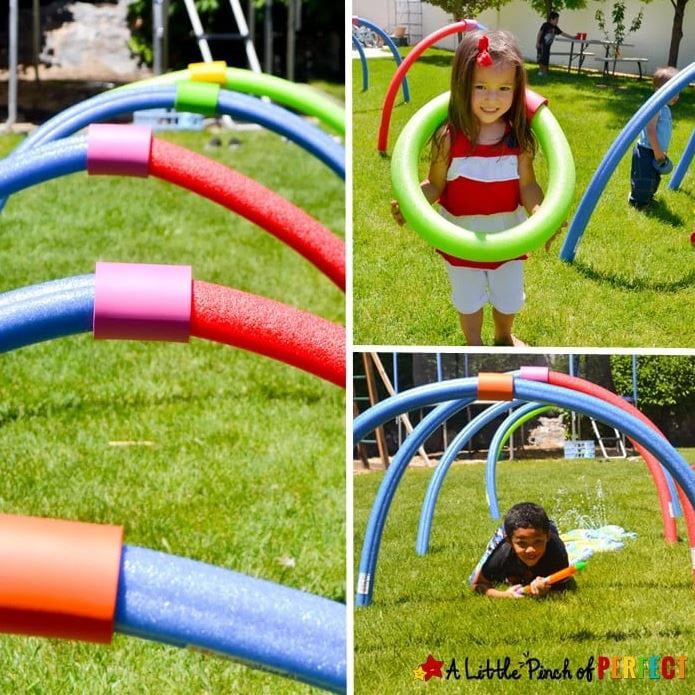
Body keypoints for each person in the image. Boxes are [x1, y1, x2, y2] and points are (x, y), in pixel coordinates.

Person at [391, 30, 557, 346]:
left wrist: (542, 214)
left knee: (509, 299)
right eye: (480, 87)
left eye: (503, 88)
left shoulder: (518, 139)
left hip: (507, 235)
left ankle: (504, 335)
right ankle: (473, 343)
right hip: (460, 237)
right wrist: (414, 204)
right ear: (462, 85)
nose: (491, 98)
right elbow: (435, 184)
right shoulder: (449, 138)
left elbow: (528, 185)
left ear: (517, 90)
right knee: (467, 300)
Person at [468, 502, 573, 599]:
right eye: (522, 543)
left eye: (538, 541)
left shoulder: (556, 551)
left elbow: (563, 590)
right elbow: (476, 584)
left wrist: (544, 592)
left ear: (547, 537)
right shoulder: (502, 552)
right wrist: (505, 595)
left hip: (547, 529)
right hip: (508, 534)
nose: (531, 550)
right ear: (509, 541)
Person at [629, 66, 680, 210]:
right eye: (674, 92)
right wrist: (658, 152)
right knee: (644, 179)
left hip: (656, 150)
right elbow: (650, 130)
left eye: (678, 92)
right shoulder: (656, 106)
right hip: (646, 150)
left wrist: (661, 151)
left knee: (654, 178)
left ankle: (648, 198)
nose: (677, 96)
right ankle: (638, 202)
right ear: (659, 90)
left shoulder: (664, 107)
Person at [536, 11, 575, 77]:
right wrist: (537, 42)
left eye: (558, 20)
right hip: (541, 45)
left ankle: (545, 72)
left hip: (548, 46)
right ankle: (540, 71)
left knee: (546, 59)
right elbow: (539, 33)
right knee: (541, 58)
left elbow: (563, 33)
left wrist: (572, 37)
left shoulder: (555, 27)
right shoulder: (545, 25)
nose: (557, 21)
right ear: (551, 19)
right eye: (556, 20)